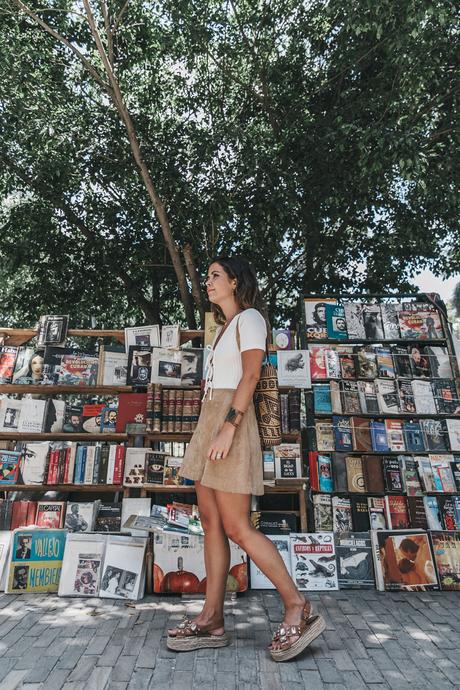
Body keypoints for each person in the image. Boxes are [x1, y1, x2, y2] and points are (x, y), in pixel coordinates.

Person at [167, 256, 325, 661]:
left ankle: (297, 606)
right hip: (210, 420)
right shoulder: (222, 329)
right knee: (210, 522)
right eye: (207, 276)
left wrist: (230, 425)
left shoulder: (251, 318)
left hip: (229, 421)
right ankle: (212, 618)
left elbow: (251, 376)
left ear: (236, 282)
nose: (208, 281)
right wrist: (212, 426)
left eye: (215, 275)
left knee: (237, 526)